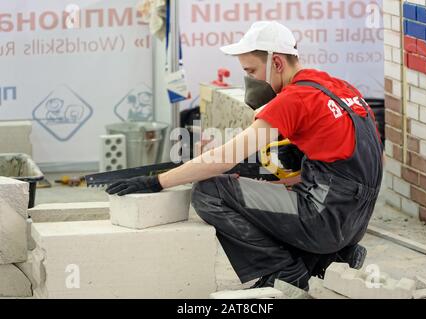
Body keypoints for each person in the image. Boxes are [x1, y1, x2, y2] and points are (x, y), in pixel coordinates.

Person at [106, 21, 384, 291]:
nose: (248, 79)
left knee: (210, 191)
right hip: (354, 223)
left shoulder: (295, 99)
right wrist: (271, 188)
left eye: (251, 70)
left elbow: (225, 157)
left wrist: (159, 182)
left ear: (276, 63)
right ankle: (328, 259)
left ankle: (282, 271)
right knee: (253, 196)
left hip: (323, 222)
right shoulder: (340, 89)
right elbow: (348, 170)